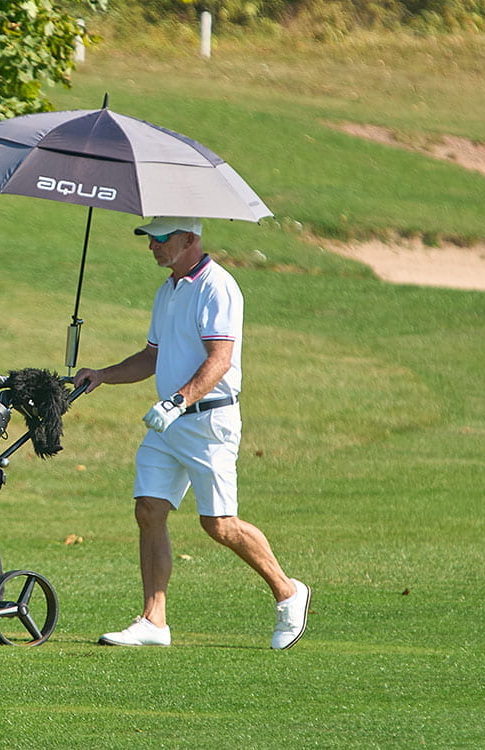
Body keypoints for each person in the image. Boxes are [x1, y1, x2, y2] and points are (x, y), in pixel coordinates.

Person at [73, 216, 310, 649]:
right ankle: (154, 620)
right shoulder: (167, 291)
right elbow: (152, 357)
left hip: (207, 422)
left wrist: (178, 400)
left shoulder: (217, 286)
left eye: (162, 239)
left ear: (190, 239)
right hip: (169, 422)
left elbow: (220, 359)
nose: (153, 247)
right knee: (148, 510)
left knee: (219, 524)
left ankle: (288, 592)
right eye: (150, 239)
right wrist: (103, 374)